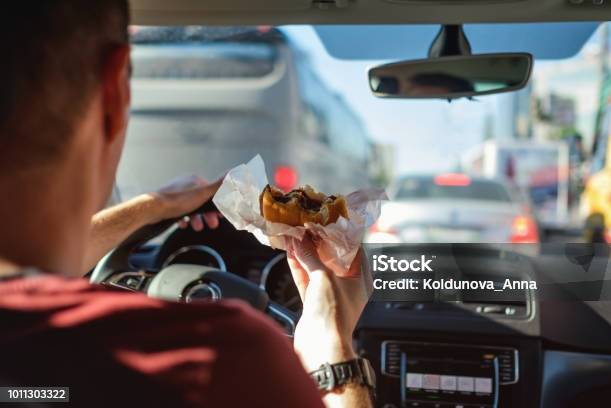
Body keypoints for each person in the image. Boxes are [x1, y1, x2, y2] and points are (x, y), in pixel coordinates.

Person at [0, 2, 373, 407]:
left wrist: (153, 207)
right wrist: (334, 346)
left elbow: (31, 272)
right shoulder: (213, 359)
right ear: (115, 92)